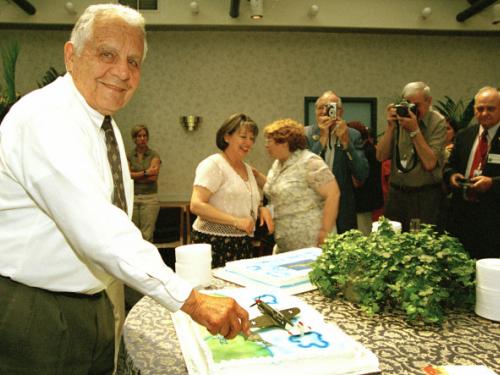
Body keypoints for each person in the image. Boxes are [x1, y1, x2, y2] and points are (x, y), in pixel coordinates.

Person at [0, 5, 249, 374]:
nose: (122, 71)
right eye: (107, 54)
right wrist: (192, 301)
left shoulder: (105, 125)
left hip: (92, 301)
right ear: (71, 56)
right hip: (38, 312)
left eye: (134, 61)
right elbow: (99, 230)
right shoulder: (45, 117)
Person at [190, 113, 272, 267]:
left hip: (243, 243)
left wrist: (261, 210)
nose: (249, 142)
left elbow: (242, 202)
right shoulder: (214, 165)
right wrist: (235, 221)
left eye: (252, 138)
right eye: (243, 136)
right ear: (226, 137)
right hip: (214, 243)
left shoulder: (248, 169)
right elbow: (196, 205)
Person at [260, 119, 340, 253]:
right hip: (285, 243)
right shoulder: (277, 165)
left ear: (285, 143)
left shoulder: (309, 162)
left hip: (311, 242)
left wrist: (325, 231)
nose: (266, 145)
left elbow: (333, 194)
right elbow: (275, 194)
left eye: (270, 140)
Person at [376, 81, 447, 232]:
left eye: (416, 105)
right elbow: (381, 156)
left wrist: (414, 130)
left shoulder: (437, 122)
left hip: (424, 196)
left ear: (429, 102)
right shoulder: (399, 120)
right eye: (407, 104)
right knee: (390, 242)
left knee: (421, 245)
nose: (411, 110)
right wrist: (390, 127)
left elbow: (429, 163)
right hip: (397, 194)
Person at [444, 86, 500, 259]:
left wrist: (492, 183)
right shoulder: (464, 135)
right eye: (479, 109)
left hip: (493, 218)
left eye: (490, 108)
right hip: (462, 214)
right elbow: (449, 167)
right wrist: (452, 176)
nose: (484, 113)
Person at [305, 90, 369, 234]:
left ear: (340, 111)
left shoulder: (352, 135)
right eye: (320, 107)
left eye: (329, 107)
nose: (324, 111)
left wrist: (347, 143)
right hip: (312, 207)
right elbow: (303, 171)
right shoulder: (306, 134)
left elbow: (362, 173)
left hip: (343, 209)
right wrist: (322, 139)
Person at [347, 121, 384, 235]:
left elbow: (358, 181)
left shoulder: (363, 153)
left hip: (362, 204)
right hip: (372, 203)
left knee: (363, 235)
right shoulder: (373, 150)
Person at [128, 124, 161, 242]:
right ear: (134, 139)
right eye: (139, 136)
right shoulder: (129, 155)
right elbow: (127, 176)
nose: (142, 138)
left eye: (145, 136)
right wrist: (146, 172)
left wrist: (135, 175)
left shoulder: (154, 155)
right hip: (132, 198)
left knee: (147, 235)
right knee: (133, 235)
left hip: (149, 199)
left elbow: (153, 178)